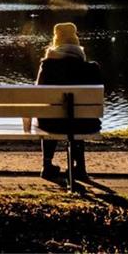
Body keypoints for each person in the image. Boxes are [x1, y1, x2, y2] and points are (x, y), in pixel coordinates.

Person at [33, 22, 102, 180]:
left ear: (56, 41)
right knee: (77, 117)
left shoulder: (47, 65)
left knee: (49, 116)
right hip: (85, 124)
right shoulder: (92, 68)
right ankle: (80, 168)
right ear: (76, 41)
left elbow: (38, 96)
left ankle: (47, 165)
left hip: (52, 124)